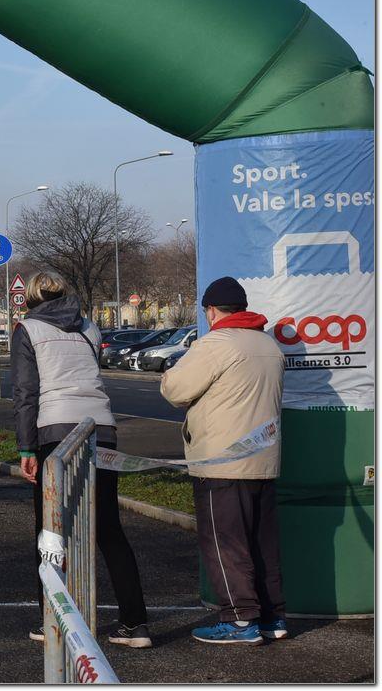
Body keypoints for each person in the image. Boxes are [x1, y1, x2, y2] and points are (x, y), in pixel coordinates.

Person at [12, 271, 151, 649]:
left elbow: (26, 393)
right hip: (100, 428)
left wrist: (26, 448)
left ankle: (54, 619)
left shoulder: (28, 329)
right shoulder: (89, 327)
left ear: (32, 298)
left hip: (55, 432)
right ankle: (135, 624)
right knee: (108, 528)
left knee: (50, 531)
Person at [161, 276, 286, 645]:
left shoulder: (215, 344)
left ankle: (239, 619)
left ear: (212, 311)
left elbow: (175, 389)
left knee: (225, 543)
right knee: (262, 543)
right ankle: (273, 617)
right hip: (263, 458)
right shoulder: (269, 345)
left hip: (221, 461)